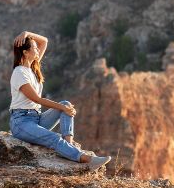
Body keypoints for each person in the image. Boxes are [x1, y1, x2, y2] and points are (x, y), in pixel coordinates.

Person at [8, 30, 111, 170]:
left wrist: (26, 33)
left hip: (36, 118)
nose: (38, 49)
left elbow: (44, 41)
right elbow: (36, 99)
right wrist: (62, 109)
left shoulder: (32, 68)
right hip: (21, 122)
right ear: (25, 52)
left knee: (65, 104)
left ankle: (69, 144)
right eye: (34, 47)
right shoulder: (19, 72)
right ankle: (85, 159)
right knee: (54, 137)